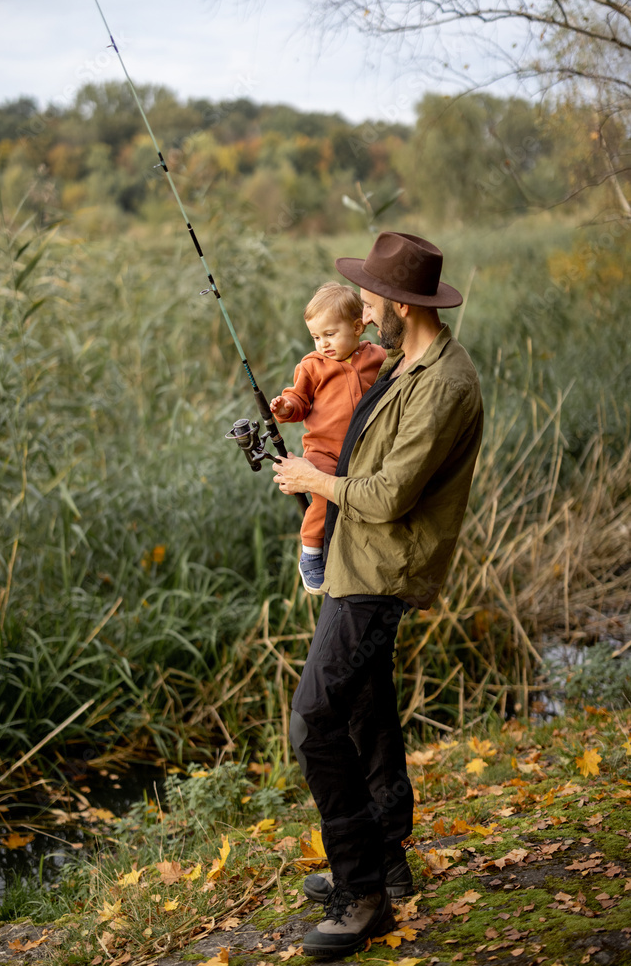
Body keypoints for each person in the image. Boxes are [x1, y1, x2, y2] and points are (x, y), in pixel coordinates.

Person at [272, 231, 484, 957]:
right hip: (349, 558)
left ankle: (359, 891)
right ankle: (386, 858)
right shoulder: (400, 365)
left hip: (380, 571)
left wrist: (313, 483)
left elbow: (389, 495)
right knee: (363, 712)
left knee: (314, 721)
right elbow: (353, 451)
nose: (361, 308)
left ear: (397, 304)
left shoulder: (445, 384)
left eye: (367, 299)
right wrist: (310, 459)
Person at [270, 281, 386, 593]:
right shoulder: (313, 365)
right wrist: (285, 407)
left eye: (330, 335)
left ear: (358, 327)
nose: (323, 344)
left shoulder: (378, 357)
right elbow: (299, 402)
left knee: (361, 498)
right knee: (322, 497)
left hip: (365, 450)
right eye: (316, 337)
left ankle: (356, 554)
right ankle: (310, 553)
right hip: (324, 450)